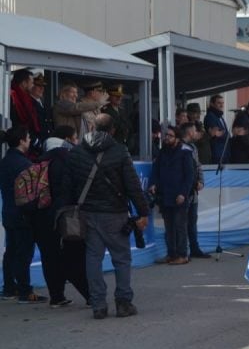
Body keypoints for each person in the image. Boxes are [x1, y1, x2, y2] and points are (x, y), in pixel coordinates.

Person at [61, 114, 149, 319]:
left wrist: (67, 211)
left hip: (87, 213)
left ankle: (98, 305)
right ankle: (123, 303)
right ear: (113, 130)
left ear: (91, 127)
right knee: (121, 259)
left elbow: (68, 186)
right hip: (115, 214)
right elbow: (133, 186)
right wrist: (143, 212)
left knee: (93, 258)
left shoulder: (77, 152)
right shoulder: (119, 151)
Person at [31, 125, 90, 307]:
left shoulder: (40, 159)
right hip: (65, 214)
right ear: (68, 139)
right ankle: (91, 295)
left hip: (41, 214)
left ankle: (56, 296)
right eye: (75, 137)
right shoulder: (68, 158)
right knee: (75, 256)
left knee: (49, 256)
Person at [0, 126, 46, 303]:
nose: (29, 141)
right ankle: (24, 290)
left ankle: (9, 287)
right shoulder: (24, 164)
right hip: (23, 213)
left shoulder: (5, 161)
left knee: (11, 250)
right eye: (27, 137)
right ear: (21, 141)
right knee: (24, 252)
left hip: (9, 212)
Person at [149, 126, 195, 265]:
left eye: (170, 135)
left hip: (178, 195)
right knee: (169, 227)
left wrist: (183, 193)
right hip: (165, 195)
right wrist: (153, 184)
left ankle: (182, 255)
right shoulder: (163, 152)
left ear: (177, 138)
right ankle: (171, 254)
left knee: (180, 226)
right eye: (166, 135)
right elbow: (155, 170)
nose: (166, 138)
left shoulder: (185, 152)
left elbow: (189, 176)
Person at [179, 122, 209, 259]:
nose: (196, 133)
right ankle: (183, 251)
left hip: (194, 190)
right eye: (194, 131)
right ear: (189, 132)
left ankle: (194, 248)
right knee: (182, 222)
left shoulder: (193, 148)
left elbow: (198, 166)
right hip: (184, 190)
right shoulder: (179, 147)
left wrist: (201, 181)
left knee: (192, 221)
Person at [9, 69, 42, 152]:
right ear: (24, 83)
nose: (33, 86)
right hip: (18, 143)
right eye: (31, 83)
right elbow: (17, 121)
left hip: (28, 139)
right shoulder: (12, 97)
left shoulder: (26, 98)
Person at [204, 95, 229, 164]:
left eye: (222, 103)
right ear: (212, 104)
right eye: (219, 103)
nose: (221, 105)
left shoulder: (219, 116)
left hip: (223, 153)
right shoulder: (210, 116)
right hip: (217, 154)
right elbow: (214, 134)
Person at [30, 73, 53, 145]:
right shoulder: (29, 102)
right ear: (31, 86)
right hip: (35, 142)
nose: (42, 89)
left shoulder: (41, 102)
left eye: (43, 86)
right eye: (39, 86)